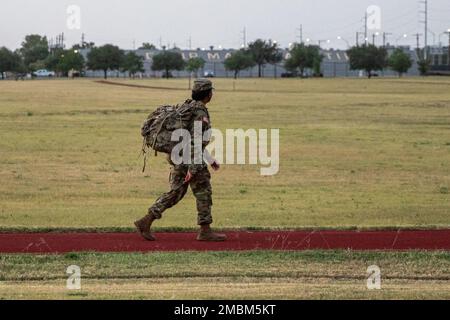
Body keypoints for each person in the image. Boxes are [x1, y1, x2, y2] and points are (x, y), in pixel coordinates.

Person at [135, 79, 227, 242]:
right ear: (208, 94)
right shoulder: (200, 112)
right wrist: (193, 168)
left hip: (180, 155)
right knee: (203, 191)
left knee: (176, 191)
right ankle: (205, 231)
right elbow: (195, 141)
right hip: (190, 158)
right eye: (211, 92)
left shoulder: (187, 107)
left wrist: (209, 158)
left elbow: (189, 138)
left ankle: (146, 220)